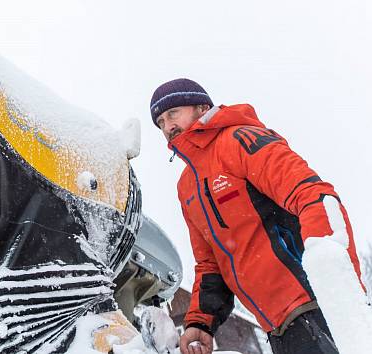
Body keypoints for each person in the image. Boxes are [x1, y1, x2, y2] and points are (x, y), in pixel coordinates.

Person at [149, 78, 366, 354]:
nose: (167, 127)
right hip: (276, 327)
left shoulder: (240, 140)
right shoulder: (187, 186)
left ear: (202, 108)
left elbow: (313, 196)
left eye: (172, 114)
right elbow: (210, 263)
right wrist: (201, 323)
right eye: (160, 123)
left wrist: (337, 283)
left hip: (313, 306)